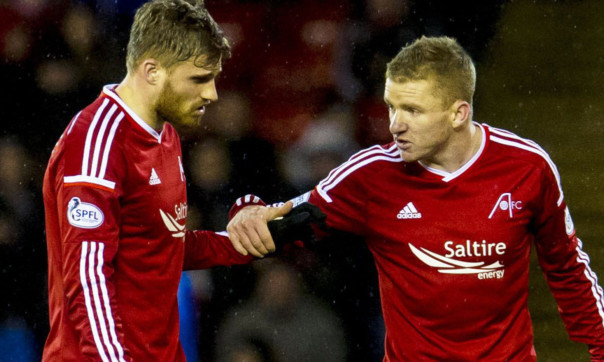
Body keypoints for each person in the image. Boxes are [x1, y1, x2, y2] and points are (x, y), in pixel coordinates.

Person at [227, 36, 604, 360]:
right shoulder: (370, 174)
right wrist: (246, 209)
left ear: (459, 113)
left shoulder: (528, 167)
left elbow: (567, 267)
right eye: (392, 106)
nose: (394, 124)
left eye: (412, 110)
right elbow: (283, 221)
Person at [41, 0, 291, 360]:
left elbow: (158, 246)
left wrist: (242, 242)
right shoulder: (96, 142)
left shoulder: (167, 136)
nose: (212, 94)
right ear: (152, 70)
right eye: (199, 79)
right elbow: (88, 277)